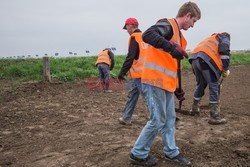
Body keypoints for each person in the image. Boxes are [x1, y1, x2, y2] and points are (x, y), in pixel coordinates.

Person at [128, 2, 201, 166]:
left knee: (169, 120)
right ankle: (138, 153)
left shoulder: (181, 39)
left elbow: (174, 67)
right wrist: (171, 47)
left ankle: (171, 152)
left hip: (166, 84)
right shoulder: (168, 25)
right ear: (187, 15)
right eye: (194, 21)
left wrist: (178, 89)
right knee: (157, 120)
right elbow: (148, 34)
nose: (193, 25)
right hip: (154, 81)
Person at [189, 32, 231, 125]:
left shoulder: (211, 38)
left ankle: (194, 109)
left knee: (201, 84)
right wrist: (225, 69)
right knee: (214, 85)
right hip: (205, 61)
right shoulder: (224, 37)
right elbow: (224, 51)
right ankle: (214, 115)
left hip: (194, 59)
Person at [118, 18, 147, 125]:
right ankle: (126, 117)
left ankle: (158, 119)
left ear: (131, 26)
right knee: (133, 95)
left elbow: (130, 57)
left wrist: (122, 72)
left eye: (126, 27)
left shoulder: (134, 37)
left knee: (147, 98)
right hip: (142, 73)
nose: (126, 30)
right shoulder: (145, 37)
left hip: (139, 74)